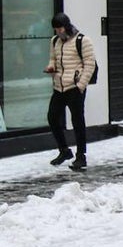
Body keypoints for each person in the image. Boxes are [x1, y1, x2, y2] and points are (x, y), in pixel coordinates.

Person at [44, 13, 96, 171]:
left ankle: (81, 156)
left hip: (74, 87)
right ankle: (64, 151)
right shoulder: (55, 41)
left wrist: (81, 85)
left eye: (60, 28)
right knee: (52, 117)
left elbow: (90, 64)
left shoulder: (82, 40)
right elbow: (53, 58)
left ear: (66, 26)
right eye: (55, 29)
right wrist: (51, 67)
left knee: (77, 121)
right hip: (59, 87)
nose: (58, 32)